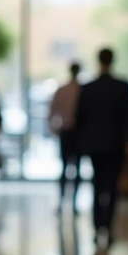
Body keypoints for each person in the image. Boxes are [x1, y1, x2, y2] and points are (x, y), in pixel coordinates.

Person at [74, 48, 128, 247]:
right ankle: (107, 228)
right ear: (113, 61)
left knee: (97, 185)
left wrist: (82, 142)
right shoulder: (122, 87)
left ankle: (96, 228)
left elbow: (79, 118)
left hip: (94, 145)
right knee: (111, 187)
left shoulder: (88, 88)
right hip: (115, 144)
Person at [48, 61, 83, 211]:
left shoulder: (63, 90)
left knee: (65, 168)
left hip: (67, 132)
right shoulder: (81, 90)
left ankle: (64, 202)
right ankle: (72, 203)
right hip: (76, 132)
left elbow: (51, 112)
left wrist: (54, 129)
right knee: (76, 168)